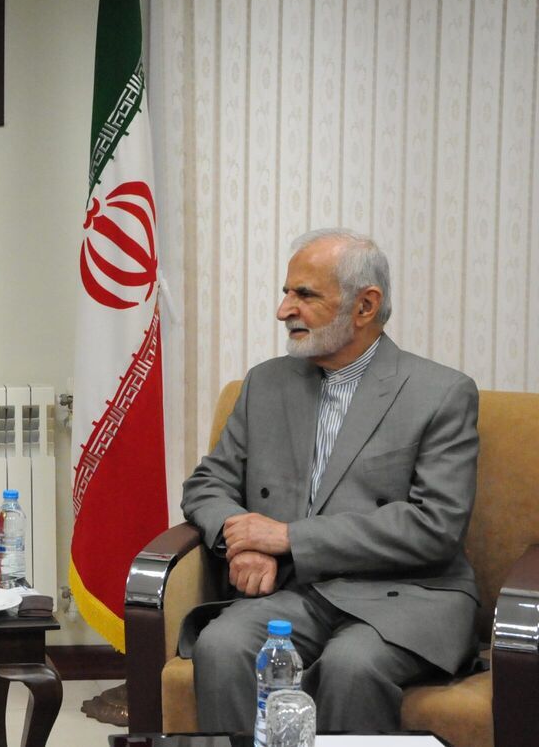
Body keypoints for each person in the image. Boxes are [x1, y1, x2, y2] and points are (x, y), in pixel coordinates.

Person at [179, 228, 479, 733]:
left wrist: (288, 537)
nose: (283, 310)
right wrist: (243, 538)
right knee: (223, 645)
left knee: (351, 667)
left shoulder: (441, 393)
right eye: (285, 292)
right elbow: (208, 484)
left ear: (365, 306)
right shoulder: (265, 384)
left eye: (305, 295)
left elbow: (436, 524)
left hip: (405, 597)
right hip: (295, 594)